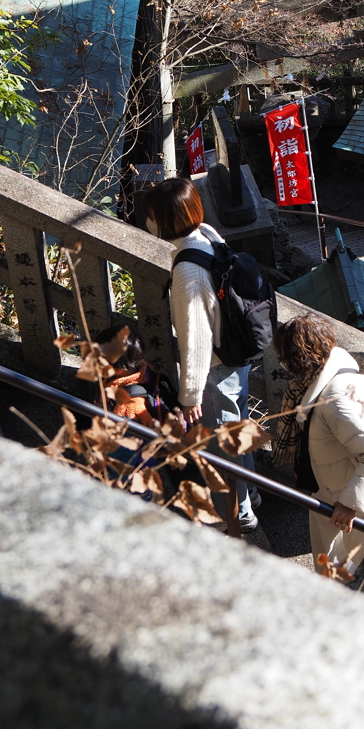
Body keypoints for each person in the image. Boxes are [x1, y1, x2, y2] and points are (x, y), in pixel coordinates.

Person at [142, 177, 259, 531]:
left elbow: (195, 338)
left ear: (166, 220)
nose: (147, 222)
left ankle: (236, 514)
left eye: (152, 216)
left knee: (222, 442)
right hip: (236, 356)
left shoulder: (187, 272)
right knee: (237, 430)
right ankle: (250, 495)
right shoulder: (207, 234)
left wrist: (190, 395)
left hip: (215, 369)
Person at [270, 313, 364, 572]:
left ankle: (346, 589)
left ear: (296, 360)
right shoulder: (339, 378)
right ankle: (332, 582)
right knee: (329, 540)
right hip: (348, 475)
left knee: (357, 559)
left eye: (284, 358)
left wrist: (349, 503)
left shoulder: (337, 399)